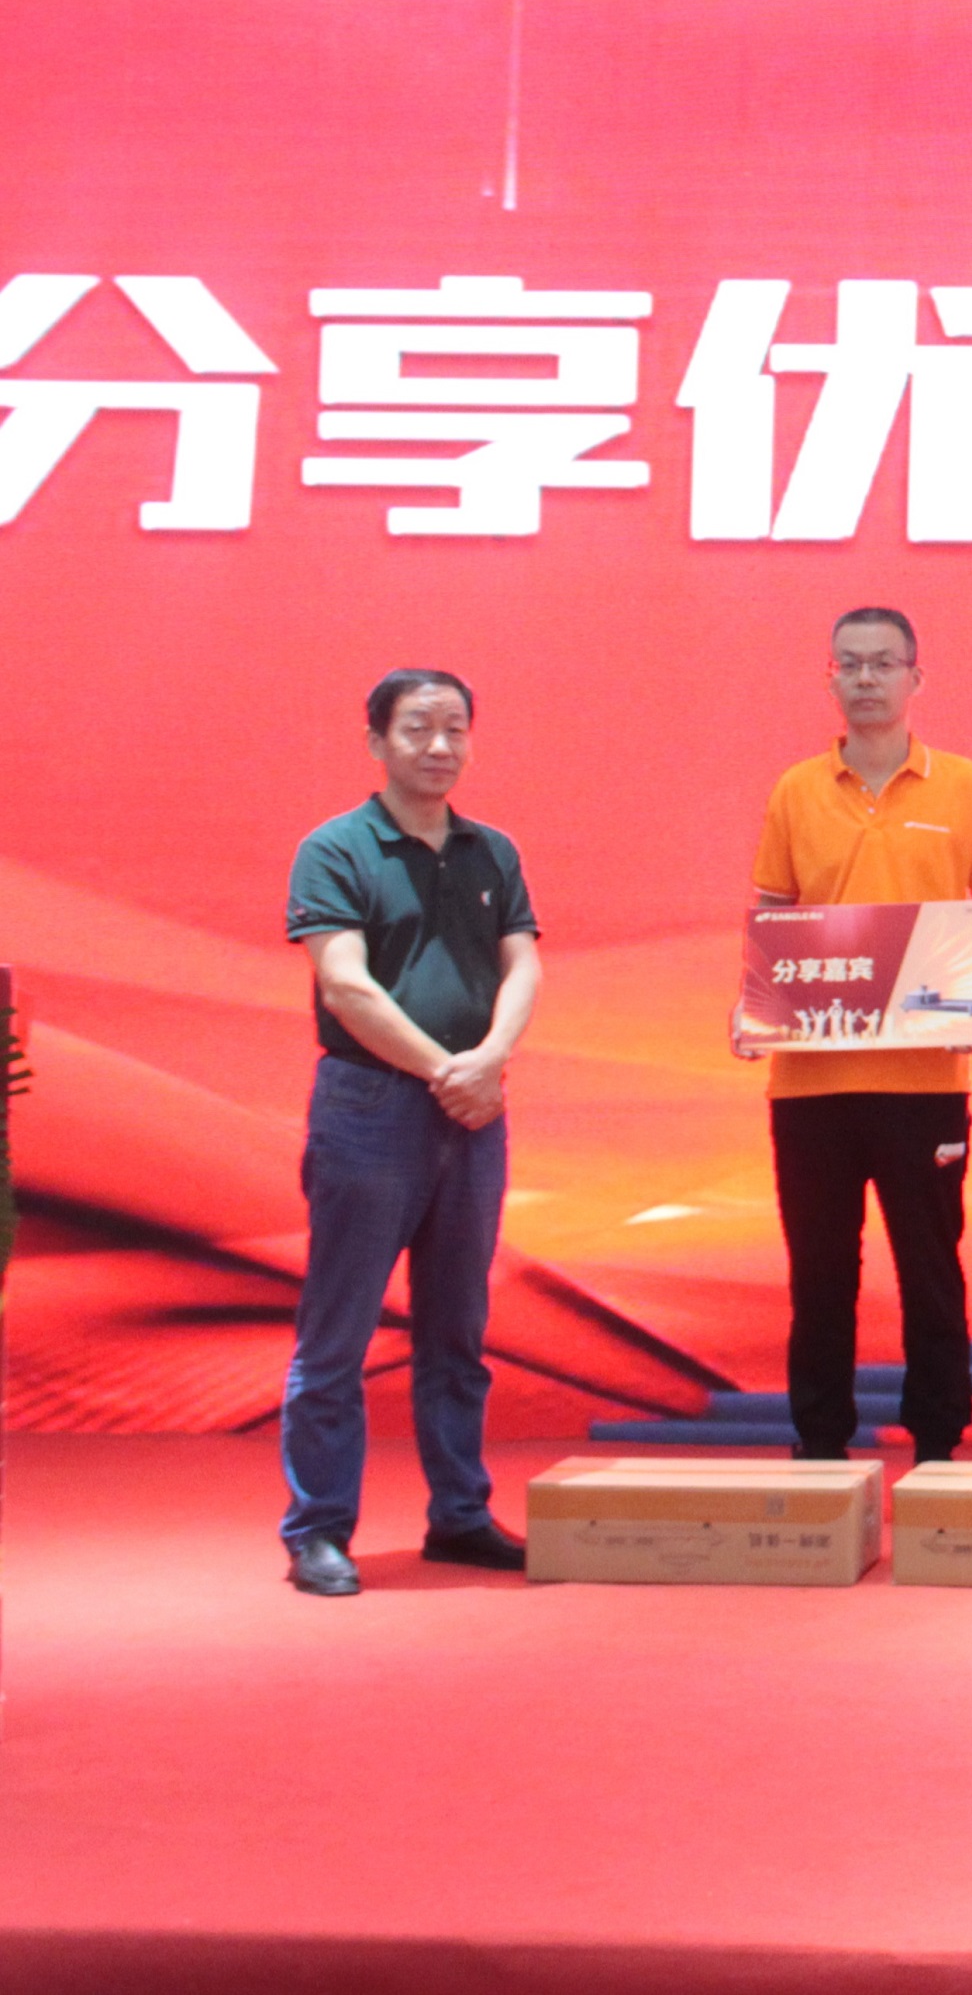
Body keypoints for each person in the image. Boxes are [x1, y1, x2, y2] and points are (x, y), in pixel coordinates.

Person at [278, 669, 542, 1597]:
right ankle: (318, 1529)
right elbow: (345, 984)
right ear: (376, 742)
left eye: (455, 728)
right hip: (372, 1107)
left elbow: (523, 964)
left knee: (458, 1328)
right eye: (418, 728)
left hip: (473, 1112)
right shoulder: (336, 848)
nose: (439, 745)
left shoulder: (491, 850)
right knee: (339, 1331)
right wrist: (447, 1070)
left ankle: (460, 1514)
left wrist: (491, 1058)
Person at [752, 607, 972, 1465]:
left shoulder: (965, 786)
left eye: (883, 663)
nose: (866, 678)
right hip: (811, 1083)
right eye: (850, 664)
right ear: (830, 677)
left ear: (915, 678)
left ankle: (938, 1439)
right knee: (819, 1271)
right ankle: (820, 1439)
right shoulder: (796, 789)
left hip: (925, 1080)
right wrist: (756, 1003)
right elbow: (773, 915)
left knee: (930, 1267)